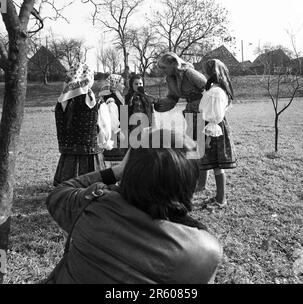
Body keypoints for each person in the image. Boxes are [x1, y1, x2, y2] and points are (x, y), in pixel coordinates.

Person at [46, 128, 223, 284]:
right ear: (189, 182)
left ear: (130, 171)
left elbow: (59, 192)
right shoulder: (206, 250)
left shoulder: (92, 205)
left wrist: (117, 170)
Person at [53, 62, 114, 186]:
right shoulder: (95, 103)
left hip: (68, 157)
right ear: (89, 80)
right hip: (91, 157)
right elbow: (105, 129)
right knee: (93, 190)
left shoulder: (62, 102)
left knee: (68, 191)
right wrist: (105, 143)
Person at [154, 52, 207, 191]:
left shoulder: (189, 73)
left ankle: (202, 183)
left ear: (173, 63)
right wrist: (158, 104)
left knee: (200, 147)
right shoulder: (170, 79)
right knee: (192, 147)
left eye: (164, 67)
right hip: (190, 112)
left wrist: (210, 111)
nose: (163, 71)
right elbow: (172, 99)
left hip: (203, 111)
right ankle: (195, 180)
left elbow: (208, 88)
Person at [198, 59, 237, 208]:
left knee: (217, 165)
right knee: (216, 165)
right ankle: (219, 197)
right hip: (214, 127)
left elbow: (214, 117)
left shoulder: (216, 91)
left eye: (206, 70)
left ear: (211, 72)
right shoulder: (216, 88)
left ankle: (221, 200)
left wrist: (207, 138)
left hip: (214, 129)